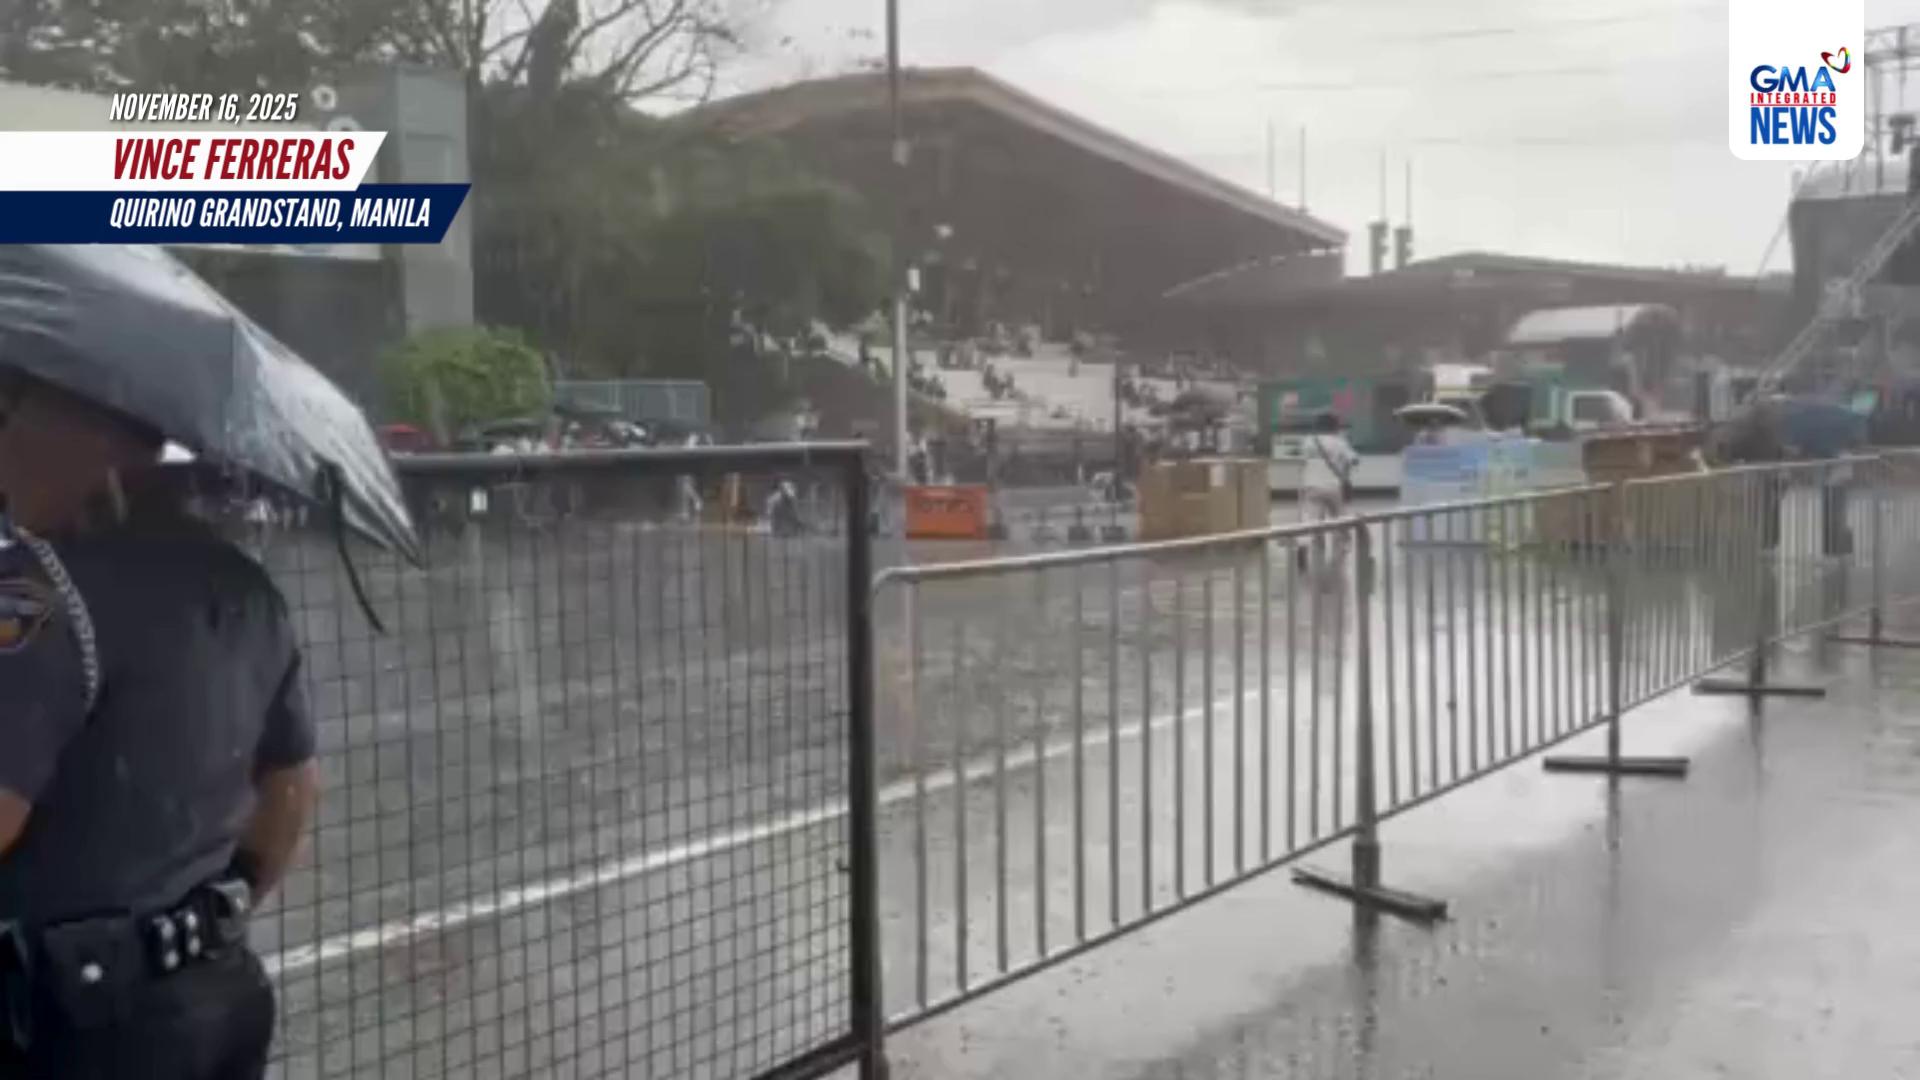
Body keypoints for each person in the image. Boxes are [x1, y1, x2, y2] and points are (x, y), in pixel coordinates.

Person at [0, 375, 316, 1080]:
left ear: (77, 442)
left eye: (12, 420)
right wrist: (200, 918)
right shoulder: (245, 585)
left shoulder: (34, 595)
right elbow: (290, 793)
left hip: (72, 1026)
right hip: (218, 995)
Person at [1298, 411, 1359, 567]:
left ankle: (1304, 545)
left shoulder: (1308, 441)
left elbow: (1303, 462)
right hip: (1333, 487)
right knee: (1339, 518)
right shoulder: (1339, 442)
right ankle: (1343, 546)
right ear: (1334, 426)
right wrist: (1344, 468)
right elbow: (1354, 460)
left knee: (1311, 520)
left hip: (1311, 486)